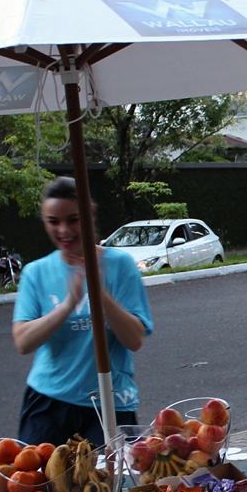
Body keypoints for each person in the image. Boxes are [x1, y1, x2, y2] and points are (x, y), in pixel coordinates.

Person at [12, 176, 153, 445]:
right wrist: (68, 305)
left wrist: (100, 293)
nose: (64, 230)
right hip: (48, 401)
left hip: (110, 401)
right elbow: (23, 342)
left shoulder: (120, 265)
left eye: (73, 220)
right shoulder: (36, 272)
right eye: (53, 222)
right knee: (37, 472)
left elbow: (134, 339)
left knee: (112, 472)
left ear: (91, 215)